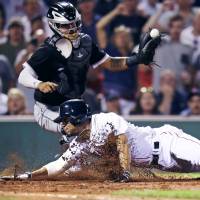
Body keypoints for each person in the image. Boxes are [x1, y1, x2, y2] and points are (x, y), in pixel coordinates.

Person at [18, 1, 161, 136]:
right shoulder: (47, 51)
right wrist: (39, 84)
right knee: (74, 131)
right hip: (49, 109)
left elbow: (110, 63)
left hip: (75, 105)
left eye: (74, 23)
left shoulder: (85, 42)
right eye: (66, 26)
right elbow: (23, 75)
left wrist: (136, 59)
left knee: (95, 134)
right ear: (54, 25)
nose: (72, 28)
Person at [3, 99, 200, 182]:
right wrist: (28, 176)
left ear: (77, 119)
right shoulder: (80, 143)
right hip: (164, 164)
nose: (63, 125)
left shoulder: (106, 120)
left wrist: (124, 172)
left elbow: (122, 142)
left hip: (168, 143)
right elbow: (58, 166)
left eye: (65, 120)